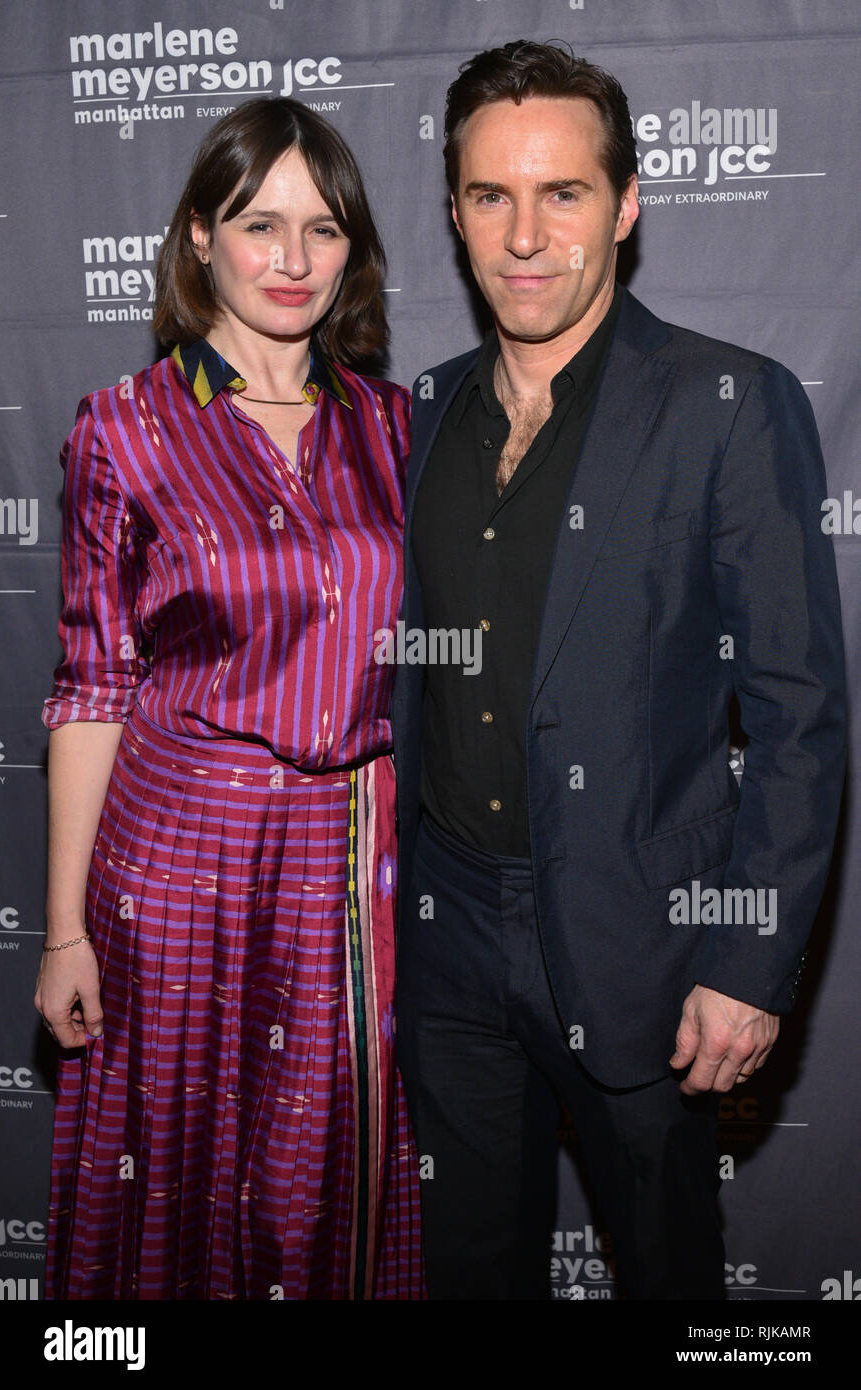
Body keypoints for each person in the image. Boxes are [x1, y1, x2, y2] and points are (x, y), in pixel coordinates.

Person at [392, 41, 846, 1300]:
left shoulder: (728, 402)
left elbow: (803, 717)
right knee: (470, 1270)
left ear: (628, 204)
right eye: (491, 196)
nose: (526, 235)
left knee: (664, 1274)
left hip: (645, 938)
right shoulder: (417, 415)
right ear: (455, 213)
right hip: (445, 932)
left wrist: (749, 965)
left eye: (564, 193)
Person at [35, 97, 423, 1300]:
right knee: (162, 1179)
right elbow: (94, 684)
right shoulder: (130, 427)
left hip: (346, 864)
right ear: (200, 235)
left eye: (323, 228)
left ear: (354, 249)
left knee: (324, 1181)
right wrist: (62, 931)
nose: (293, 259)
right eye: (261, 224)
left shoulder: (399, 428)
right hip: (177, 858)